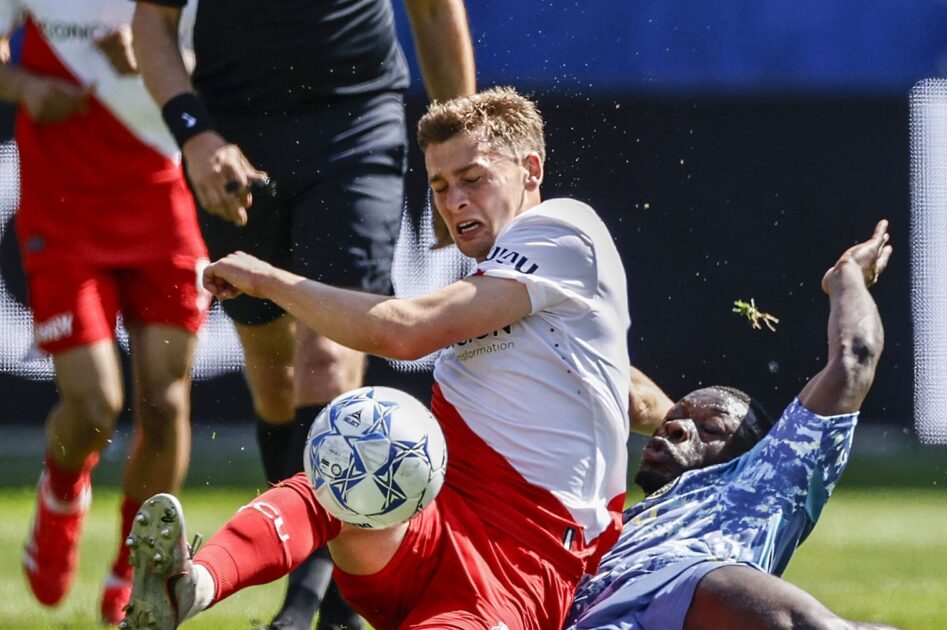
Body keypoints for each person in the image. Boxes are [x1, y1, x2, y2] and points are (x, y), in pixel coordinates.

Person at [122, 87, 631, 630]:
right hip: (427, 522)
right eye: (440, 186)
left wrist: (269, 280)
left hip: (523, 563)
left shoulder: (563, 227)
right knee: (353, 452)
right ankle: (192, 584)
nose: (454, 201)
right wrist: (667, 411)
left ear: (531, 170)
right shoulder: (512, 280)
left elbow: (403, 331)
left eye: (473, 178)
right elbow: (609, 375)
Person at [130, 1, 475, 626]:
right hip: (231, 136)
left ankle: (310, 601)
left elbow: (432, 11)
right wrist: (195, 135)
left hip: (356, 122)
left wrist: (461, 161)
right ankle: (329, 577)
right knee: (274, 376)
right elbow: (152, 22)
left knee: (327, 359)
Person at [567, 221, 898, 630]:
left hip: (691, 585)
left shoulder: (767, 479)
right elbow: (628, 393)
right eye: (673, 419)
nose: (677, 428)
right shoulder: (609, 525)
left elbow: (854, 359)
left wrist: (846, 275)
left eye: (712, 429)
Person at [0, 1, 210, 624]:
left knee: (166, 403)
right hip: (62, 207)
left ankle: (135, 566)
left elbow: (218, 66)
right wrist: (24, 85)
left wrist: (156, 59)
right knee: (94, 406)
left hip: (162, 197)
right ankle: (62, 491)